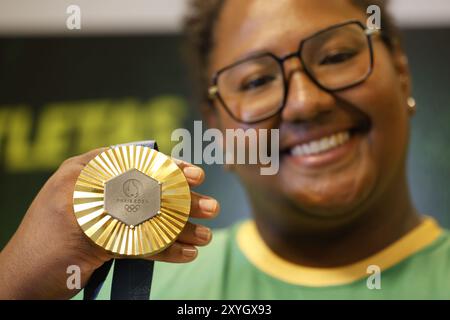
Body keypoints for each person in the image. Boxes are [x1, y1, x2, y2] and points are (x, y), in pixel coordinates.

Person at [1, 0, 449, 299]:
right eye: (256, 81)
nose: (305, 102)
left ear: (402, 73)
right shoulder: (129, 287)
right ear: (216, 128)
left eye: (335, 57)